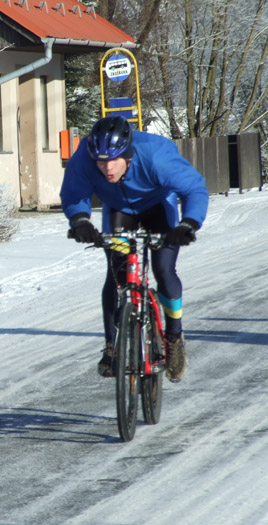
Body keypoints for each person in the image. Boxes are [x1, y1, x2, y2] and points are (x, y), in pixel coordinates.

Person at [60, 116, 209, 382]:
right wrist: (80, 220)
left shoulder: (156, 154)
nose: (107, 168)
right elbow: (73, 193)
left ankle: (174, 337)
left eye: (113, 160)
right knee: (116, 273)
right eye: (101, 161)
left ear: (128, 155)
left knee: (163, 269)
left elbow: (194, 189)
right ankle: (112, 347)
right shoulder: (85, 155)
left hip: (158, 208)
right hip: (118, 211)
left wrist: (188, 224)